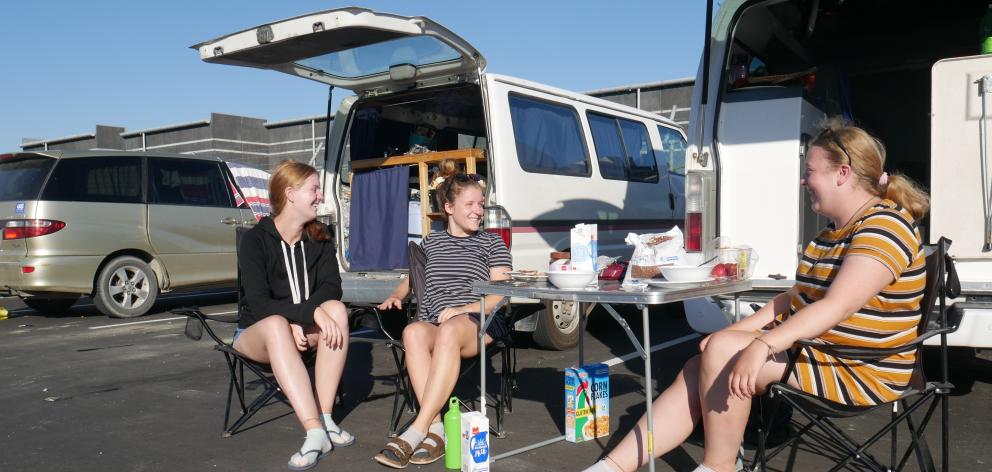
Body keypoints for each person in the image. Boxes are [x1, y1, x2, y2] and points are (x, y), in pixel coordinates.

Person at [583, 122, 931, 472]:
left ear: (843, 173)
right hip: (827, 352)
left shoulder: (884, 228)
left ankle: (718, 467)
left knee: (720, 355)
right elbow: (793, 299)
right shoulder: (834, 233)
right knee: (701, 362)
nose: (803, 180)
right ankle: (612, 467)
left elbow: (837, 304)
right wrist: (735, 333)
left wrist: (761, 345)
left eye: (810, 171)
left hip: (862, 368)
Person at [373, 161, 512, 469]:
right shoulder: (431, 242)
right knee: (412, 332)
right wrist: (396, 296)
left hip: (479, 321)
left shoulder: (492, 242)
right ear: (449, 207)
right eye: (470, 204)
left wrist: (463, 309)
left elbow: (501, 292)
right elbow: (411, 279)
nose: (479, 210)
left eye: (480, 204)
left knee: (450, 329)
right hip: (438, 320)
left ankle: (416, 429)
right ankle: (437, 428)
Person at [234, 160, 353, 471]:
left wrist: (304, 319)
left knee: (337, 310)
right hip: (257, 334)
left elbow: (332, 288)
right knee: (275, 325)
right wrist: (301, 316)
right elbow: (259, 305)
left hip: (303, 329)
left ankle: (326, 417)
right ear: (290, 194)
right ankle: (314, 431)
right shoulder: (255, 241)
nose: (319, 197)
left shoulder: (319, 236)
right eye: (313, 189)